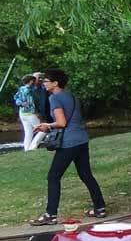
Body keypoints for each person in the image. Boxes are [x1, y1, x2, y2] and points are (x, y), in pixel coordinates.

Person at [29, 69, 106, 226]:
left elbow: (62, 123)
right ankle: (100, 208)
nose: (43, 83)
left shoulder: (55, 98)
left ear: (55, 83)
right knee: (86, 174)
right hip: (82, 139)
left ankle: (50, 215)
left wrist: (46, 126)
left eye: (46, 81)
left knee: (53, 176)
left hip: (69, 143)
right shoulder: (71, 95)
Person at [13, 75, 44, 151]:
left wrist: (21, 103)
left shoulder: (21, 89)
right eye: (34, 80)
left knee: (28, 132)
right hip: (30, 113)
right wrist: (35, 111)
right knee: (43, 130)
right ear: (31, 81)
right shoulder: (30, 90)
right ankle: (32, 147)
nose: (35, 82)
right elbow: (32, 102)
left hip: (22, 114)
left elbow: (15, 98)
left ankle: (26, 149)